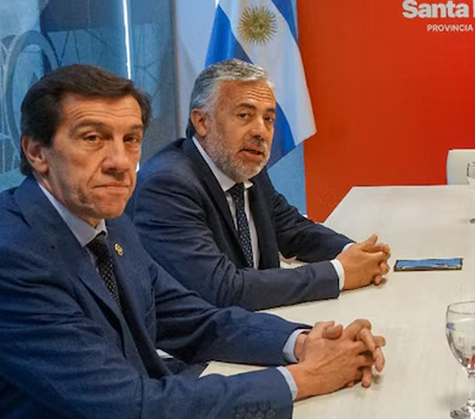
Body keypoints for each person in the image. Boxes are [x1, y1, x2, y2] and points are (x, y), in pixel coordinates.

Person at [0, 65, 388, 419]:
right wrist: (303, 378)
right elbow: (137, 409)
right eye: (93, 138)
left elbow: (192, 320)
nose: (119, 161)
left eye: (131, 140)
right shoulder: (8, 257)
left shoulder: (108, 219)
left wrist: (302, 342)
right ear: (37, 151)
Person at [128, 59, 390, 311]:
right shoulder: (167, 186)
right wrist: (340, 273)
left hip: (257, 324)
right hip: (195, 349)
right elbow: (222, 289)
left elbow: (292, 230)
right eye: (244, 115)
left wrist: (355, 253)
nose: (261, 132)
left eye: (268, 119)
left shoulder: (244, 165)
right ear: (202, 122)